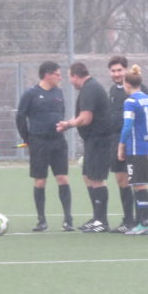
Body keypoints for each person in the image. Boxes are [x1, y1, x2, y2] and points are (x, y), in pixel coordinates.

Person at [16, 60, 73, 232]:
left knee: (62, 178)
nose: (60, 77)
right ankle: (41, 220)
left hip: (58, 142)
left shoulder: (59, 92)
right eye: (57, 74)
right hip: (39, 142)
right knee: (40, 181)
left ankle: (68, 219)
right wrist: (28, 138)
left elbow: (61, 114)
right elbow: (20, 117)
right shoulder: (31, 94)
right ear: (47, 75)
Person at [57, 62, 112, 232]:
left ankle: (102, 221)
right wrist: (72, 122)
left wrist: (68, 124)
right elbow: (83, 115)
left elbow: (86, 118)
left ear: (75, 76)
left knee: (97, 179)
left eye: (69, 78)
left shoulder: (90, 88)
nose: (70, 82)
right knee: (88, 176)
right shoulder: (88, 88)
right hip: (92, 140)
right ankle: (96, 217)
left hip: (100, 139)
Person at [107, 56, 148, 232]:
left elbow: (130, 123)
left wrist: (121, 144)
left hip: (132, 143)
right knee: (123, 180)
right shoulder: (112, 90)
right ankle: (129, 220)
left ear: (126, 72)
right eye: (113, 71)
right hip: (119, 140)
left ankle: (141, 222)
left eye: (119, 70)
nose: (116, 74)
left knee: (138, 182)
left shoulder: (137, 93)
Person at [117, 65, 148, 235]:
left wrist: (121, 145)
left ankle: (143, 224)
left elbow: (127, 125)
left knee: (139, 186)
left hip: (136, 148)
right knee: (140, 185)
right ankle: (141, 223)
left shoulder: (130, 101)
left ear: (127, 84)